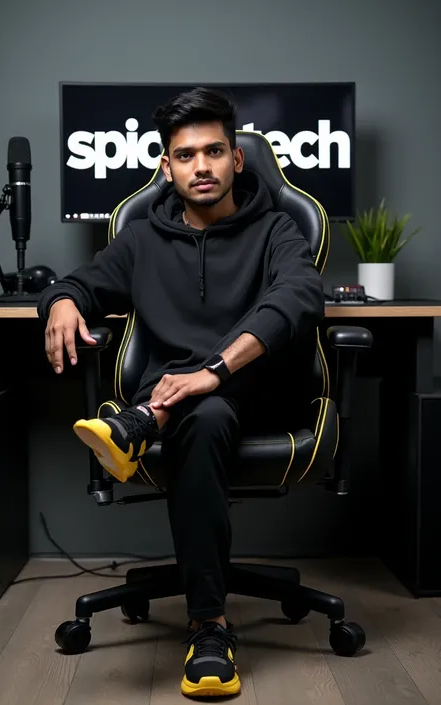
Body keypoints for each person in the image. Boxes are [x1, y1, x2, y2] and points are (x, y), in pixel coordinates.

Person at [37, 86, 325, 698]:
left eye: (215, 151)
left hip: (257, 394)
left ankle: (137, 427)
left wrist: (216, 367)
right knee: (204, 415)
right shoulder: (142, 239)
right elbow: (82, 284)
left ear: (237, 159)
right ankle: (210, 626)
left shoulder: (277, 229)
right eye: (187, 155)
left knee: (211, 401)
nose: (202, 166)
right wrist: (61, 302)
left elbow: (297, 297)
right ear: (167, 167)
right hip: (201, 414)